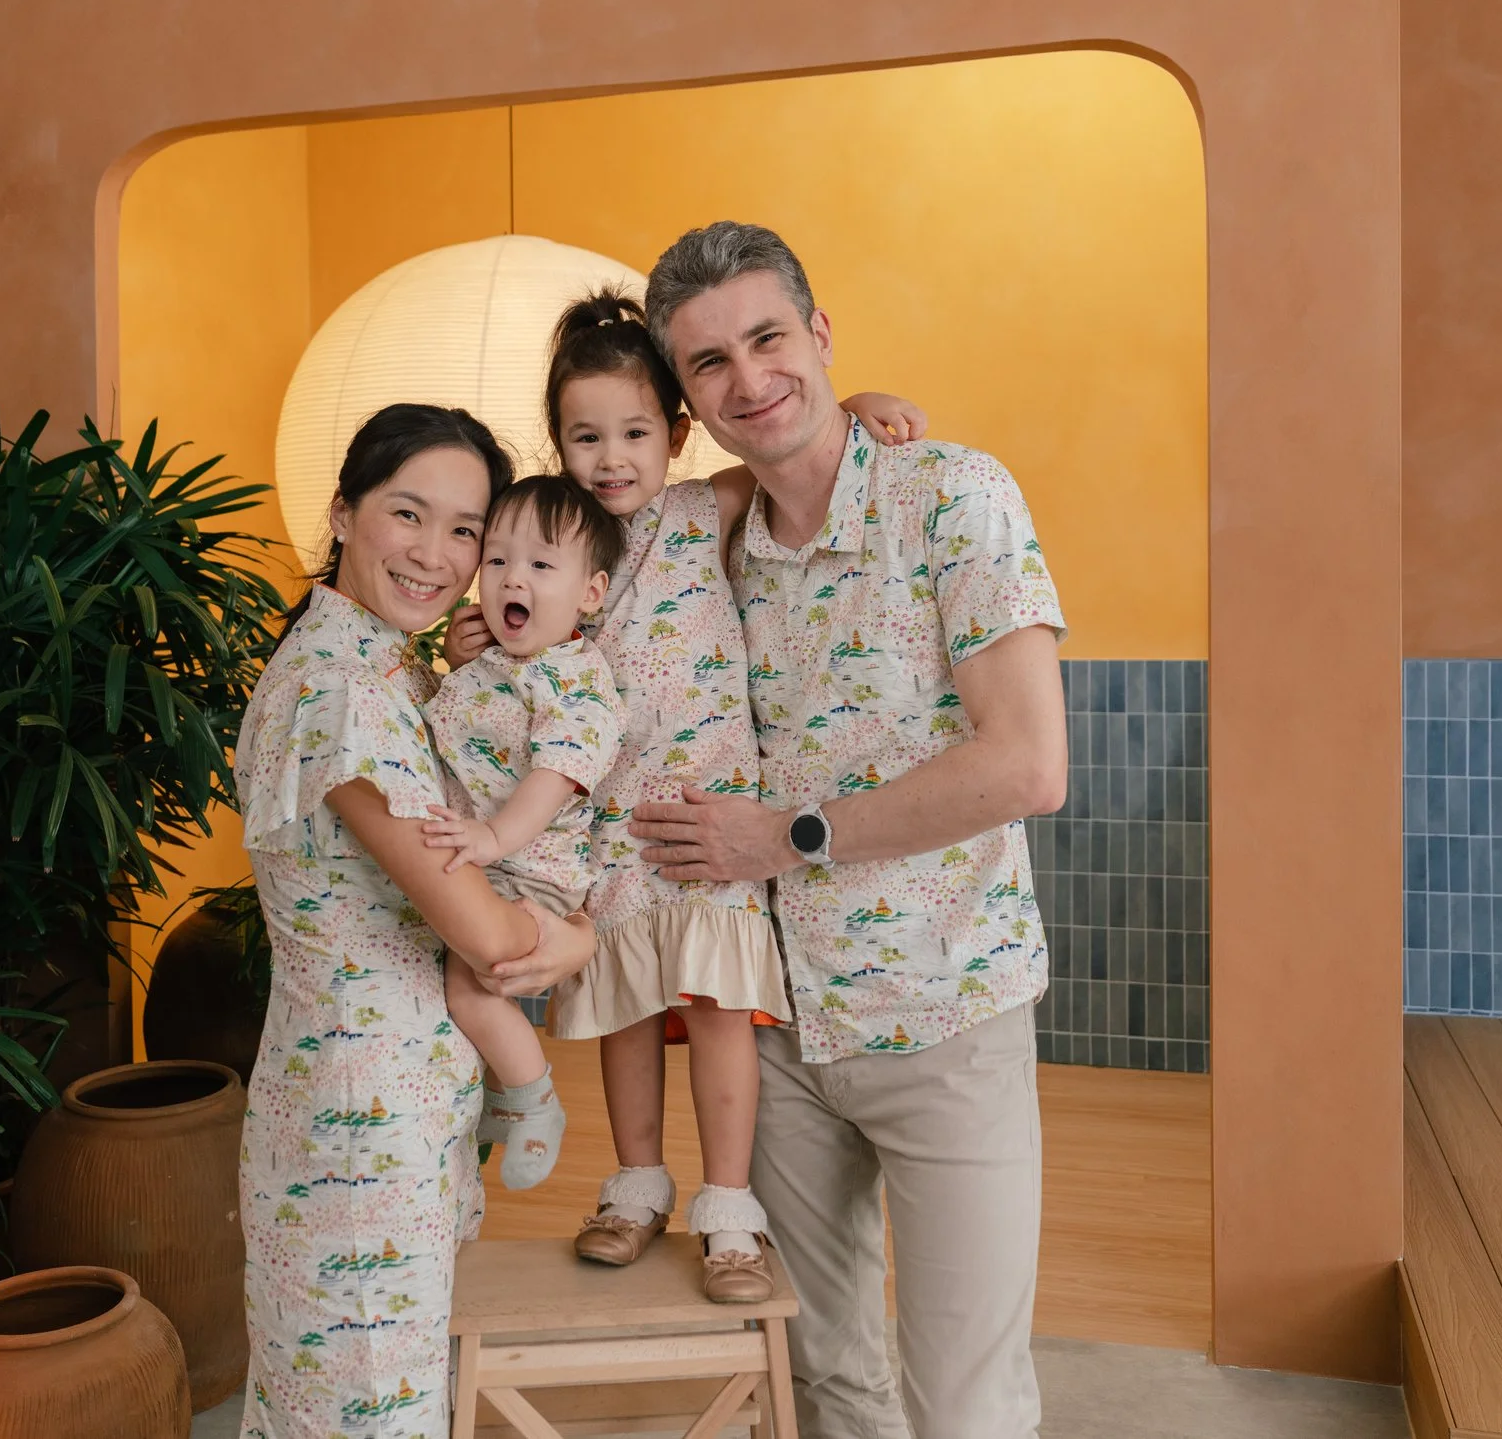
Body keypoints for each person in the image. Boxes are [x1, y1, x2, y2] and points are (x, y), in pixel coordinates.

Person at [628, 223, 1070, 1438]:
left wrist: (785, 835)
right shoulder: (695, 540)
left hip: (945, 1011)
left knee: (965, 1398)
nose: (748, 378)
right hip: (772, 1029)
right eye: (708, 362)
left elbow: (1028, 764)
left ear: (821, 335)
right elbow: (547, 545)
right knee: (822, 1377)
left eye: (769, 337)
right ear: (685, 396)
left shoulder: (952, 495)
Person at [439, 291, 925, 1304]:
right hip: (606, 834)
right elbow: (497, 629)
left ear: (675, 432)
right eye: (584, 436)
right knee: (623, 1010)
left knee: (716, 1010)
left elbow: (798, 453)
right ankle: (634, 1186)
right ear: (558, 441)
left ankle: (731, 1210)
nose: (610, 457)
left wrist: (863, 396)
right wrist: (473, 635)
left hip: (710, 825)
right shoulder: (549, 541)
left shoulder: (705, 506)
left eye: (632, 432)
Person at [232, 404, 599, 1439]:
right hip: (359, 1127)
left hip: (393, 1102)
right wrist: (580, 938)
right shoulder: (345, 690)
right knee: (361, 1413)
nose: (435, 555)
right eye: (408, 513)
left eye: (464, 530)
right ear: (343, 511)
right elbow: (484, 932)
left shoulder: (389, 670)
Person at [420, 474, 628, 1192]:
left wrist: (492, 838)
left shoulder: (575, 681)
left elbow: (555, 775)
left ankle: (534, 1099)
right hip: (488, 853)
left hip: (526, 862)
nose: (514, 578)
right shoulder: (499, 665)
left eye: (542, 565)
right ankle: (502, 1097)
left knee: (472, 986)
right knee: (466, 988)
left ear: (590, 593)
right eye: (499, 560)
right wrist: (455, 659)